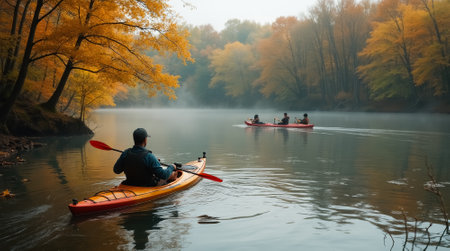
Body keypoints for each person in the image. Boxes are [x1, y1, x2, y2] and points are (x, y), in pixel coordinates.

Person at [114, 128, 178, 186]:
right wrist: (171, 167)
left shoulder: (125, 153)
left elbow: (116, 170)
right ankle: (174, 175)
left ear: (134, 139)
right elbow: (164, 175)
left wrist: (154, 162)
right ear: (145, 140)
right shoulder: (149, 156)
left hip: (129, 183)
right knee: (172, 174)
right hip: (147, 186)